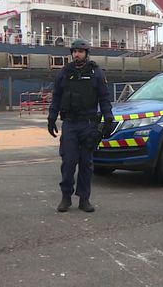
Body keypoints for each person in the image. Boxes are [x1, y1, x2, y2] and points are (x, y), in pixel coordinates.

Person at [47, 39, 114, 212]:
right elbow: (56, 97)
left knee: (86, 163)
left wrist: (108, 117)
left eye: (80, 51)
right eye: (74, 51)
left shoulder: (96, 72)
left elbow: (104, 97)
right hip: (70, 124)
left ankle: (84, 199)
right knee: (68, 162)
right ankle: (66, 197)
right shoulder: (64, 72)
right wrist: (51, 118)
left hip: (89, 124)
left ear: (86, 53)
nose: (77, 54)